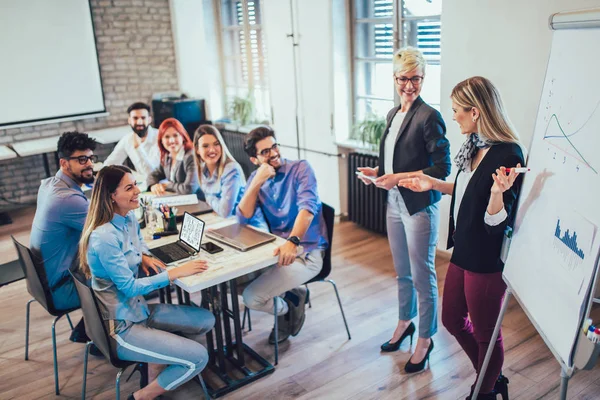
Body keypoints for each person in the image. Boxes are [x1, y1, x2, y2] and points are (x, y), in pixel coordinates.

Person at [398, 76, 525, 399]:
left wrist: (498, 193)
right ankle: (490, 377)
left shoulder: (508, 154)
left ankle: (483, 390)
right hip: (464, 250)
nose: (453, 116)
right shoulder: (475, 146)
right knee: (452, 318)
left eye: (457, 110)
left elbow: (497, 222)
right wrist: (434, 185)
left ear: (476, 111)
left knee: (486, 333)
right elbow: (469, 191)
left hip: (485, 258)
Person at [79, 165, 215, 400]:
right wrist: (174, 273)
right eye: (129, 187)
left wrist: (143, 256)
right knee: (199, 358)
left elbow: (139, 242)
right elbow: (129, 287)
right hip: (121, 325)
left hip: (137, 309)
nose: (138, 191)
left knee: (206, 320)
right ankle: (142, 396)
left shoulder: (128, 216)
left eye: (136, 184)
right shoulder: (104, 238)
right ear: (111, 196)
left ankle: (155, 363)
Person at [356, 47, 451, 372]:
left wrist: (399, 177)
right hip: (395, 202)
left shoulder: (430, 116)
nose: (409, 85)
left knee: (423, 274)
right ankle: (404, 323)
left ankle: (425, 338)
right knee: (402, 273)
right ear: (394, 79)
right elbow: (395, 158)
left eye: (415, 78)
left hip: (419, 205)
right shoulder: (393, 114)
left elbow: (442, 167)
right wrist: (378, 172)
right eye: (403, 78)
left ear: (423, 78)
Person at [236, 126, 328, 344]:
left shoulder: (301, 169)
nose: (274, 153)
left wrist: (292, 241)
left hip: (306, 253)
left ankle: (288, 308)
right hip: (276, 253)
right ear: (254, 159)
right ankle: (293, 294)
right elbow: (242, 218)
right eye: (265, 152)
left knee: (251, 298)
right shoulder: (257, 177)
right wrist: (257, 181)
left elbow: (307, 208)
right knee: (234, 284)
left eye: (274, 146)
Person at [30, 131, 100, 345]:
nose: (89, 164)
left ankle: (90, 328)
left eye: (90, 158)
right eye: (81, 159)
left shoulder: (49, 184)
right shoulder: (67, 199)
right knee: (120, 272)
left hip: (45, 281)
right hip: (61, 289)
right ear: (64, 163)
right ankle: (104, 338)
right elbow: (105, 231)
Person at [193, 124, 245, 218]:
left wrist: (209, 197)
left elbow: (225, 212)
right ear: (197, 150)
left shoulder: (231, 169)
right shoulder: (203, 169)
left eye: (216, 144)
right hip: (222, 221)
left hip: (245, 225)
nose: (212, 150)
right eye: (205, 146)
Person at [103, 102, 161, 186]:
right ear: (129, 120)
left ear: (149, 119)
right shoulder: (127, 139)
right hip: (142, 185)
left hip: (161, 185)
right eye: (135, 118)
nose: (139, 122)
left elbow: (152, 173)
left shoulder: (160, 137)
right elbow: (111, 163)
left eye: (143, 118)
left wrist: (138, 147)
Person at [147, 118, 199, 196]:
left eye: (175, 135)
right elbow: (153, 175)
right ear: (161, 141)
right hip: (179, 200)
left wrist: (167, 185)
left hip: (199, 203)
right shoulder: (168, 157)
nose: (171, 140)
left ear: (182, 137)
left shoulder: (191, 157)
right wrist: (153, 185)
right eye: (167, 137)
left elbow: (189, 189)